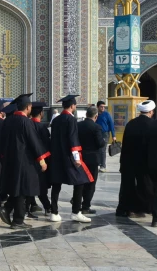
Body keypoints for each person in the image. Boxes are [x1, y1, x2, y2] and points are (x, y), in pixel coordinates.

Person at [0, 93, 49, 228]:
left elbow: (1, 141)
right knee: (23, 189)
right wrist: (42, 160)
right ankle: (18, 221)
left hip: (10, 160)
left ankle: (7, 208)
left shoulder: (8, 121)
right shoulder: (26, 122)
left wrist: (4, 156)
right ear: (28, 107)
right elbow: (34, 142)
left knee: (17, 187)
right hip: (24, 161)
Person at [48, 95, 94, 223]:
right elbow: (73, 139)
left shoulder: (56, 120)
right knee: (80, 181)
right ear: (73, 106)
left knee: (56, 184)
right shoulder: (71, 120)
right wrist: (76, 157)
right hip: (69, 157)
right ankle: (75, 212)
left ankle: (54, 212)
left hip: (57, 156)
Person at [115, 100, 155, 218]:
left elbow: (125, 143)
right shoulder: (152, 124)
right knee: (145, 185)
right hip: (144, 162)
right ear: (151, 112)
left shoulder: (131, 123)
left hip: (129, 160)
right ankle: (143, 208)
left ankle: (125, 209)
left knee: (128, 185)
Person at [75, 105, 106, 217]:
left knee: (80, 182)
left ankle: (76, 202)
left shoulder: (78, 125)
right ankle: (86, 206)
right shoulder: (96, 127)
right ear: (96, 116)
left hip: (80, 158)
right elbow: (100, 143)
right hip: (92, 158)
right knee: (91, 183)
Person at [26, 103, 52, 218]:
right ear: (41, 113)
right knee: (41, 186)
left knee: (29, 184)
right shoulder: (42, 128)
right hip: (41, 160)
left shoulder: (26, 124)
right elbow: (46, 145)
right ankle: (47, 207)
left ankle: (31, 205)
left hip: (28, 160)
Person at [95, 101, 115, 172]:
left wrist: (113, 135)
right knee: (96, 149)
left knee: (102, 150)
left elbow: (111, 124)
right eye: (101, 106)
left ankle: (103, 166)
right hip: (96, 133)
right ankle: (97, 163)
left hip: (105, 134)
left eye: (104, 106)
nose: (103, 108)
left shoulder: (106, 114)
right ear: (97, 107)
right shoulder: (95, 114)